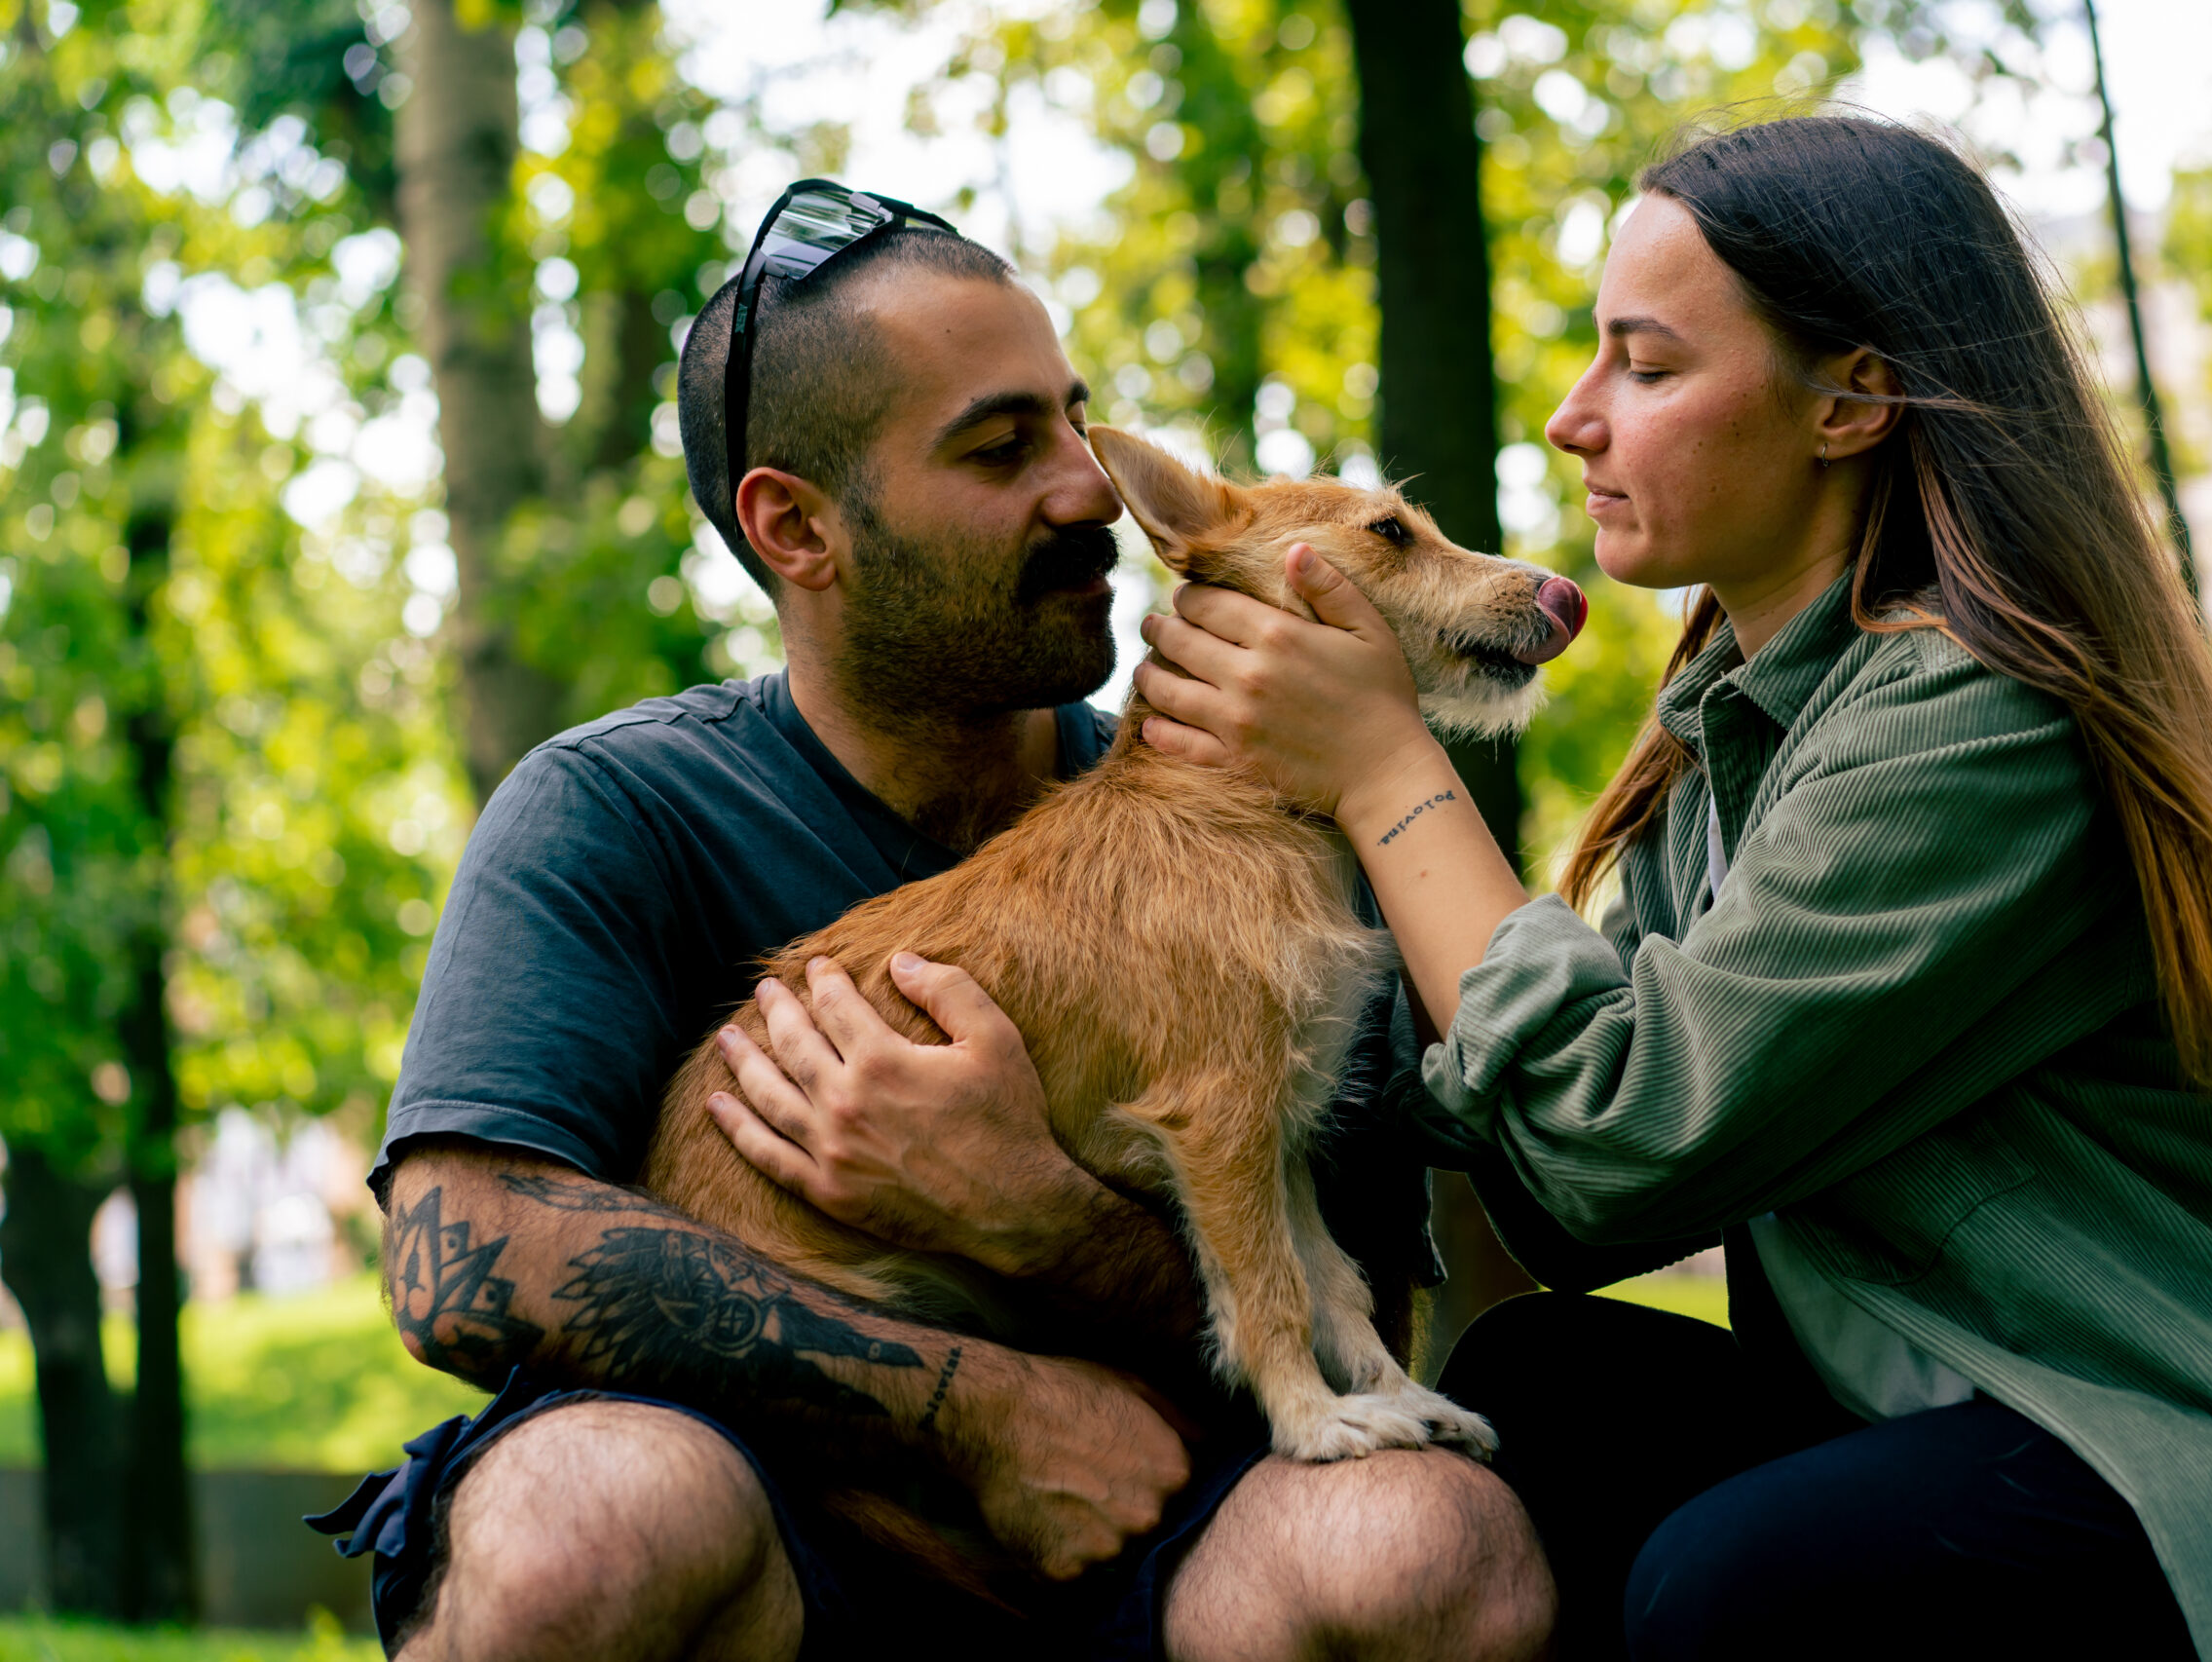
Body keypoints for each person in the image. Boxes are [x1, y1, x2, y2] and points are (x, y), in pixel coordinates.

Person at [1127, 116, 2212, 1661]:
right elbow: (1544, 1178)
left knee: (1745, 1580)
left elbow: (1614, 1143)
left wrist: (1383, 769)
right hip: (1982, 1402)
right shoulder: (1733, 743)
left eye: (1645, 367)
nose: (1575, 421)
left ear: (1851, 399)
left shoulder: (1979, 718)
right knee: (1532, 1397)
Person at [309, 189, 1554, 1662]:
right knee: (585, 1517)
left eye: (1080, 427)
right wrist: (980, 1406)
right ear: (798, 528)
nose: (1091, 489)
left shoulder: (1271, 820)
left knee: (1433, 1544)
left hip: (1159, 1537)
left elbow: (1368, 1327)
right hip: (767, 1524)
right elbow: (463, 1250)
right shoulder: (615, 804)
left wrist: (1036, 1207)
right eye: (999, 447)